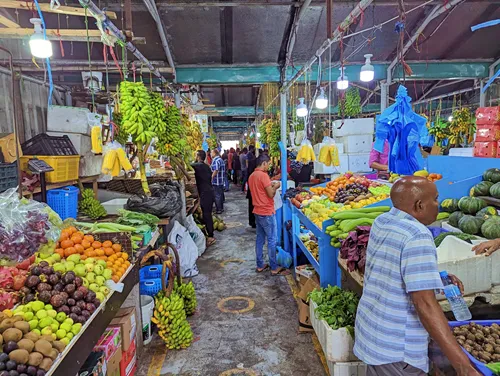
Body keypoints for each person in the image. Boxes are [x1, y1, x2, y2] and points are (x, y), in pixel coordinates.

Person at [354, 176, 480, 376]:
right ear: (420, 205)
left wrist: (433, 276)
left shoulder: (383, 221)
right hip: (397, 350)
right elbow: (425, 304)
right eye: (436, 199)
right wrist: (462, 365)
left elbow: (390, 266)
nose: (438, 205)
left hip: (372, 335)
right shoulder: (417, 235)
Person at [248, 154, 289, 276]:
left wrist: (270, 186)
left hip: (257, 211)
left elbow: (261, 190)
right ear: (264, 163)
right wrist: (276, 186)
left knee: (260, 239)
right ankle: (274, 267)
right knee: (272, 239)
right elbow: (270, 194)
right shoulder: (263, 176)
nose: (269, 166)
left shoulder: (252, 176)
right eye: (268, 163)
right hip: (266, 212)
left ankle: (260, 265)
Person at [191, 150, 216, 247]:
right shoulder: (206, 166)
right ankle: (209, 234)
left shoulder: (198, 166)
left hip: (206, 194)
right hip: (209, 192)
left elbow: (189, 166)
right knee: (207, 214)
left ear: (198, 156)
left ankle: (211, 236)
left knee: (207, 214)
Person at [210, 149, 225, 214]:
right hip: (221, 181)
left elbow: (216, 170)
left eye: (211, 152)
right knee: (220, 195)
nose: (210, 154)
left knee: (217, 195)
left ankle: (219, 209)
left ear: (214, 153)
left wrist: (211, 177)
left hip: (217, 181)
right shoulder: (220, 160)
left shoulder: (216, 160)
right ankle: (221, 208)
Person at [246, 145, 257, 228]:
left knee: (251, 205)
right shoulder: (255, 165)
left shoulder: (251, 163)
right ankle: (254, 221)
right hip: (254, 189)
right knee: (254, 205)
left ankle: (252, 221)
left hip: (251, 188)